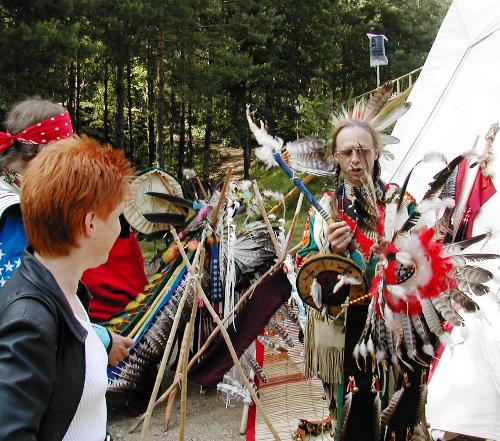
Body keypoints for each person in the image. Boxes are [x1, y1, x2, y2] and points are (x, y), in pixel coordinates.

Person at [296, 100, 426, 440]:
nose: (356, 160)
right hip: (343, 326)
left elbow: (423, 261)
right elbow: (305, 271)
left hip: (391, 324)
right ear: (336, 158)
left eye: (362, 151)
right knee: (351, 413)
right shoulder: (325, 208)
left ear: (377, 153)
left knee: (393, 412)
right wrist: (330, 252)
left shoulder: (400, 202)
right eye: (346, 153)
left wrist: (395, 256)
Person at [0, 135, 132, 440]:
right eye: (116, 217)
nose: (120, 228)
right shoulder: (29, 320)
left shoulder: (65, 293)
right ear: (91, 224)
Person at [0, 97, 147, 365]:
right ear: (47, 156)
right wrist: (100, 338)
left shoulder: (18, 198)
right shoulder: (14, 213)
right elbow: (27, 306)